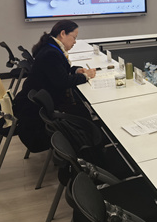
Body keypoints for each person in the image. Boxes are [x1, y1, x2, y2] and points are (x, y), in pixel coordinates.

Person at [14, 20, 97, 152]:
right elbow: (62, 81)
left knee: (82, 107)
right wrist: (86, 76)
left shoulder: (51, 47)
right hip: (37, 110)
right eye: (74, 37)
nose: (75, 42)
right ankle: (90, 146)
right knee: (83, 112)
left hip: (41, 99)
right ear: (63, 34)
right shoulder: (51, 53)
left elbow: (59, 71)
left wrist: (76, 71)